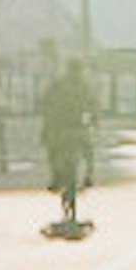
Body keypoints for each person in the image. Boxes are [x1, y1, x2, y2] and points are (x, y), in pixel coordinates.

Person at [41, 58, 98, 227]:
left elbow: (45, 105)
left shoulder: (57, 85)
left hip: (59, 128)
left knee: (52, 150)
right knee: (88, 151)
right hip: (77, 127)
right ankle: (89, 176)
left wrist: (46, 125)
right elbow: (94, 106)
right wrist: (95, 122)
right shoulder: (85, 85)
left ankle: (54, 178)